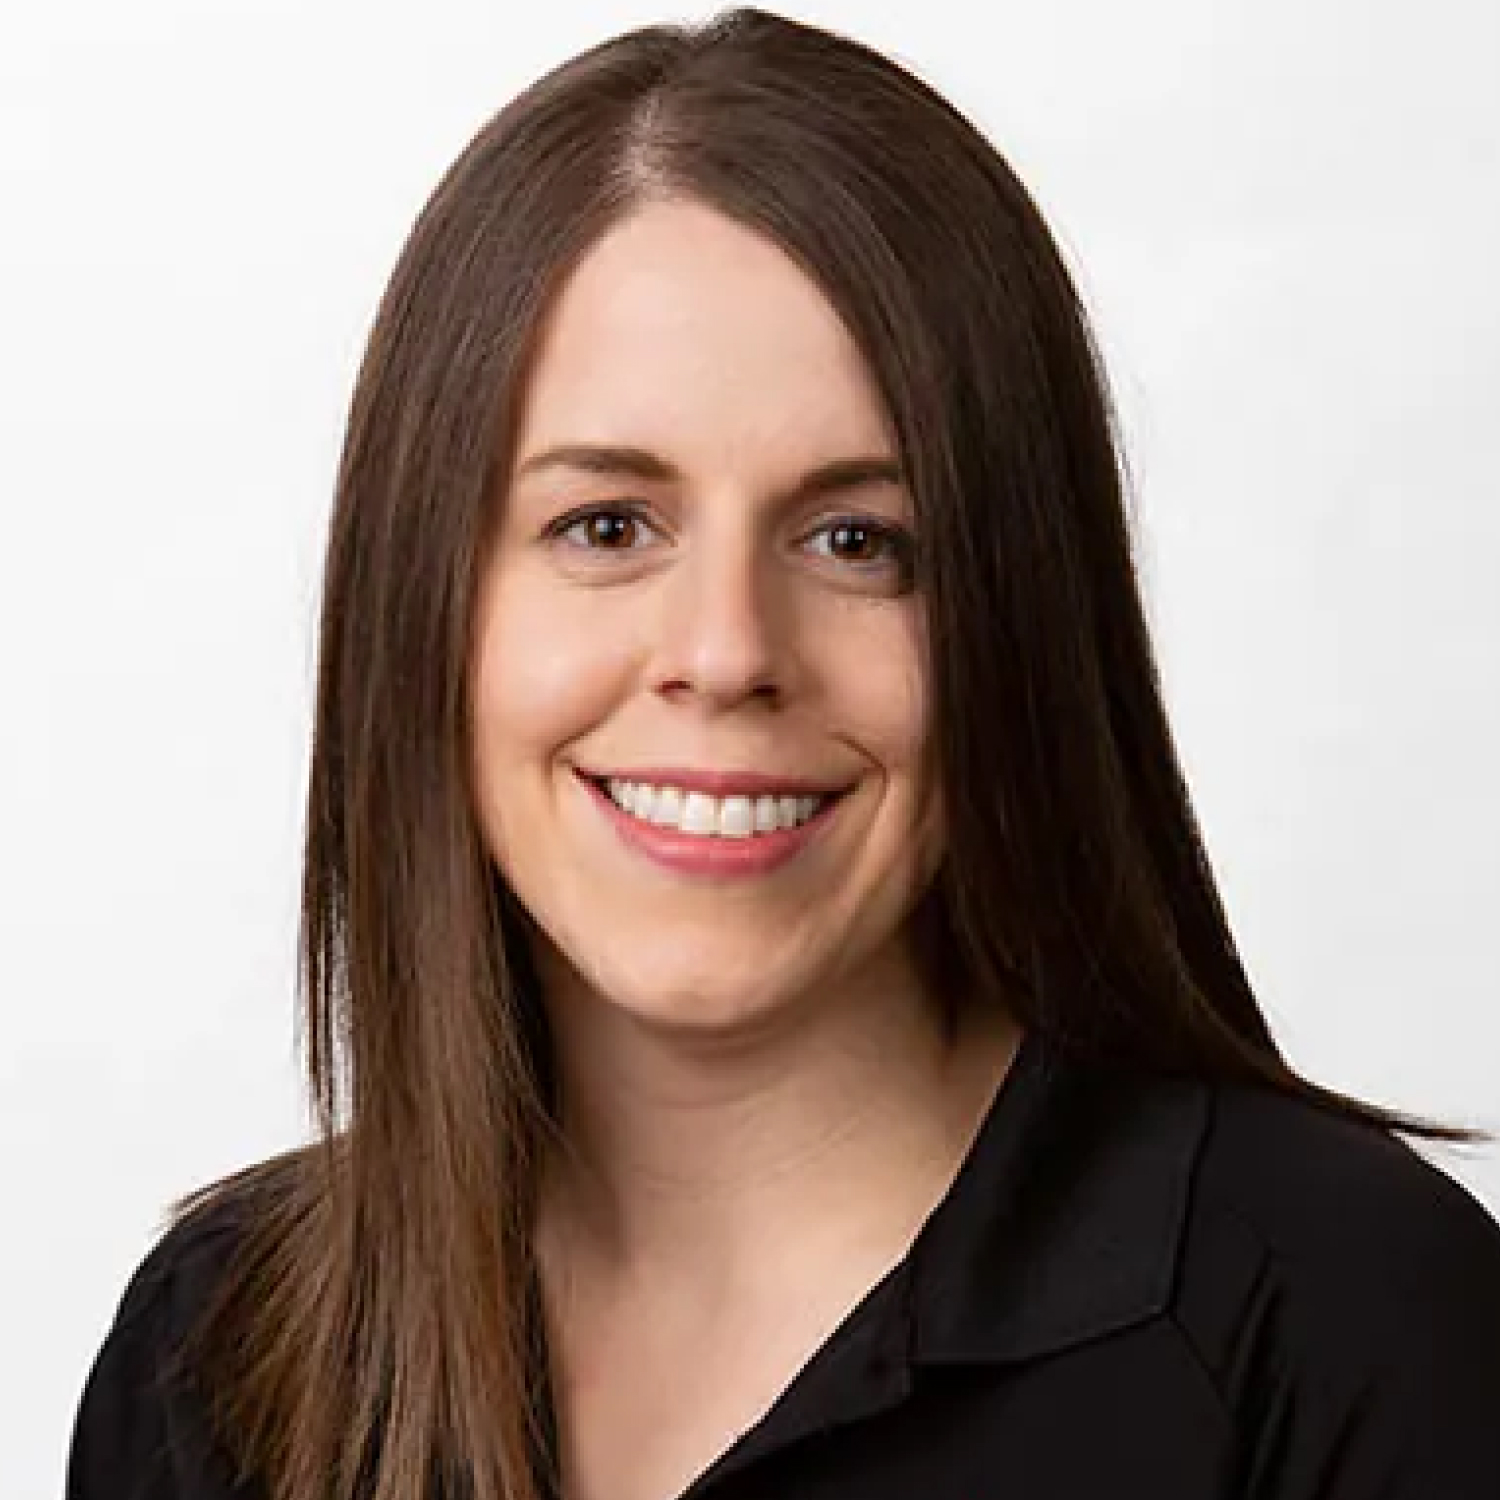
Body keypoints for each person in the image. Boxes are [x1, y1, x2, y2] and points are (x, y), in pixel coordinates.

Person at [66, 8, 1500, 1500]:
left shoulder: (1345, 1328)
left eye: (858, 540)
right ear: (419, 606)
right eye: (606, 526)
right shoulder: (218, 1357)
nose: (731, 648)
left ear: (1020, 619)